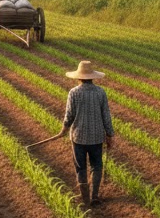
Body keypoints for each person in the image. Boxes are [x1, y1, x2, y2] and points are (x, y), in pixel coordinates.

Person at [49, 60, 114, 206]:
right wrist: (109, 135)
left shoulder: (74, 93)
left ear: (78, 77)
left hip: (78, 137)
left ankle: (85, 198)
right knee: (96, 166)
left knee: (80, 166)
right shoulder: (100, 92)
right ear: (92, 77)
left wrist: (63, 131)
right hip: (96, 137)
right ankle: (94, 196)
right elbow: (106, 115)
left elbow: (69, 116)